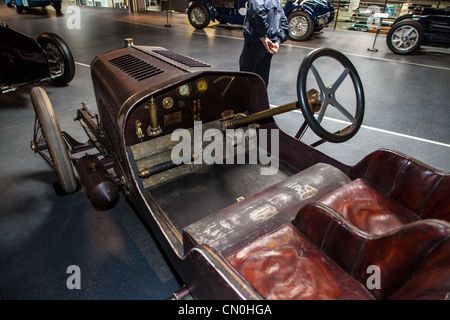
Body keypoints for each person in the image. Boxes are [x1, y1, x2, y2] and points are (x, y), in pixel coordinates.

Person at [239, 0, 289, 87]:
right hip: (270, 44)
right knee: (262, 78)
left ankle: (246, 99)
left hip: (256, 41)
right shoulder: (277, 1)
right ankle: (260, 99)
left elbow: (257, 12)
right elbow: (283, 21)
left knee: (246, 78)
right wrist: (277, 40)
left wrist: (263, 37)